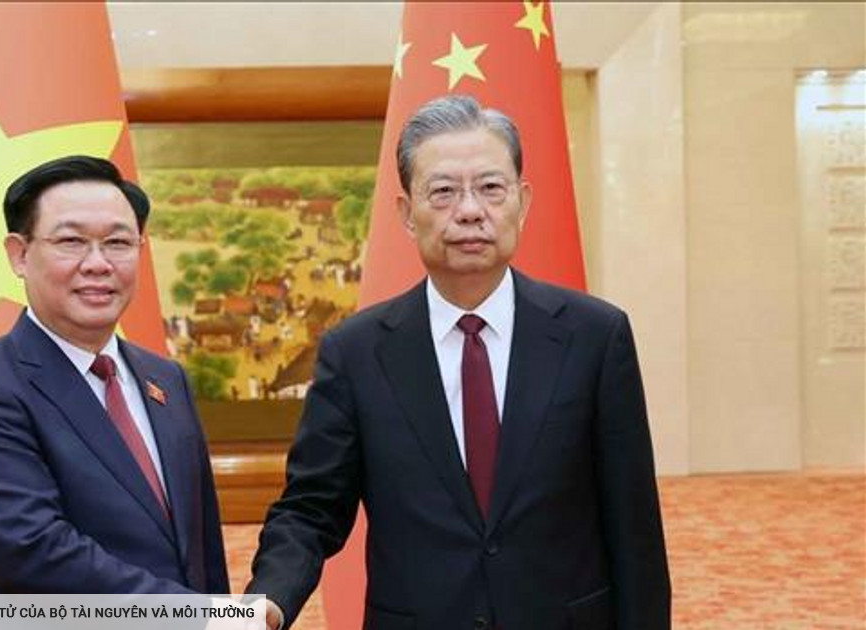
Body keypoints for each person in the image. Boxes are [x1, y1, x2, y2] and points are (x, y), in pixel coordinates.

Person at [245, 96, 671, 629]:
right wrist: (265, 602)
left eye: (491, 188)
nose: (469, 210)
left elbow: (634, 528)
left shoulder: (595, 336)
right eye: (443, 191)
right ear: (406, 213)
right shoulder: (355, 353)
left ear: (523, 200)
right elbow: (310, 509)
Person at [0, 155, 230, 594]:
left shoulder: (165, 379)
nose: (98, 264)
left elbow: (201, 546)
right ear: (19, 254)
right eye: (71, 241)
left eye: (118, 243)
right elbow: (34, 553)